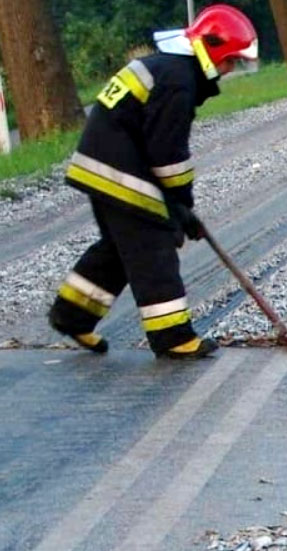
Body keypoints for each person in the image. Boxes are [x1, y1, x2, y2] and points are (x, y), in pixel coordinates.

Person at [47, 4, 258, 359]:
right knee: (153, 246)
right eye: (230, 60)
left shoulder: (171, 69)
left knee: (118, 247)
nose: (230, 70)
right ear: (212, 51)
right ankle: (173, 338)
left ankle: (72, 316)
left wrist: (178, 207)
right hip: (118, 169)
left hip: (100, 164)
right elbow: (168, 154)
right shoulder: (179, 82)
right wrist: (180, 206)